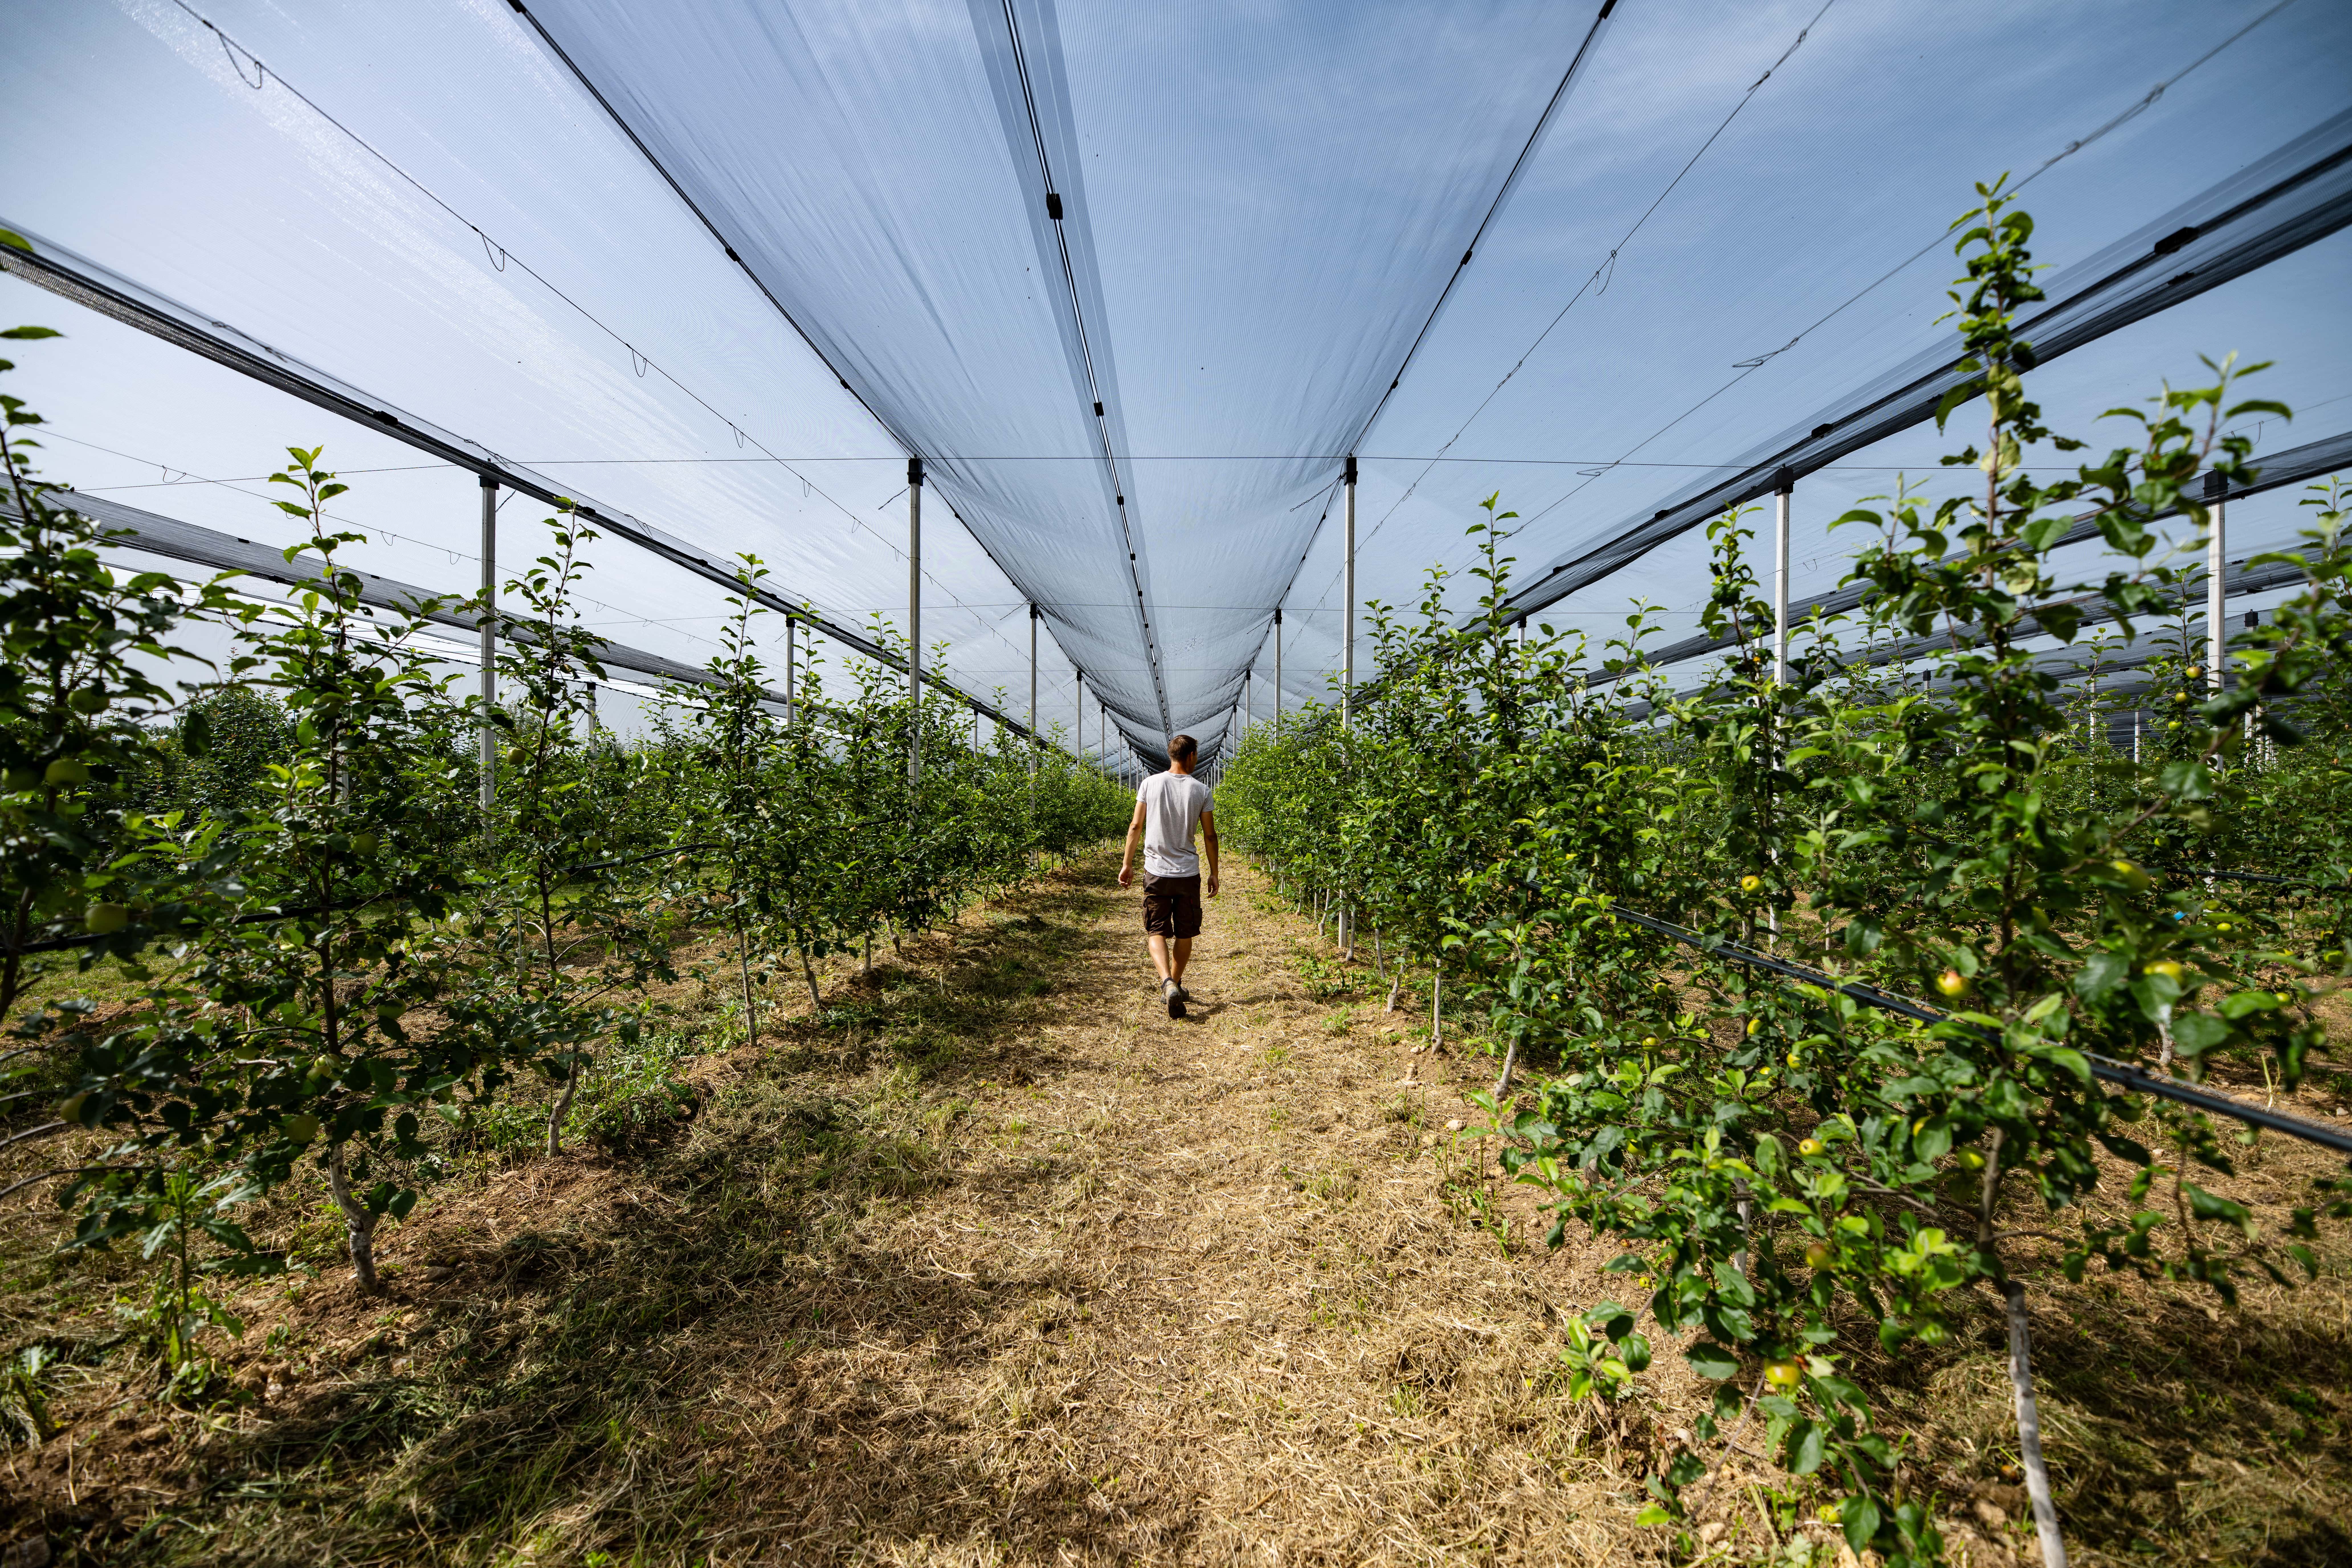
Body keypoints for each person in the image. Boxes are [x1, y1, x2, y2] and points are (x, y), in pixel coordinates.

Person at [1117, 732, 1218, 1018]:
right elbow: (1210, 836)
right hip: (1187, 874)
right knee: (1185, 931)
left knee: (1157, 929)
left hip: (1156, 872)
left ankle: (1167, 982)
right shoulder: (1201, 790)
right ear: (1191, 756)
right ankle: (1176, 983)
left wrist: (1127, 864)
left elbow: (1136, 826)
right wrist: (1214, 872)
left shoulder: (1150, 783)